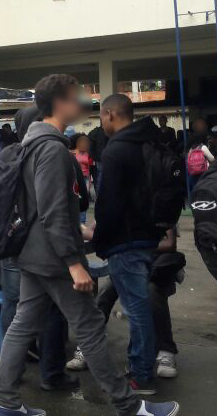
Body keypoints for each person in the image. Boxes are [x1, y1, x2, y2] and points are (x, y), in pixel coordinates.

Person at [0, 74, 178, 416]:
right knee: (89, 326)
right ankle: (130, 406)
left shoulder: (33, 144)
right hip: (53, 258)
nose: (82, 103)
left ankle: (5, 403)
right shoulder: (51, 150)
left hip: (33, 253)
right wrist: (74, 263)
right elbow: (53, 213)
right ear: (60, 102)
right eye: (76, 97)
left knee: (23, 324)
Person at [95, 93, 165, 395]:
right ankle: (142, 366)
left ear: (110, 114)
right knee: (139, 306)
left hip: (125, 241)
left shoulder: (116, 150)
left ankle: (141, 375)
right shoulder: (150, 143)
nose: (100, 122)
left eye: (100, 115)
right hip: (149, 236)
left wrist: (98, 239)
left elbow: (107, 205)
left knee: (136, 310)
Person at [3, 106, 74, 391]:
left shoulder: (8, 154)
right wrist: (72, 258)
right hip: (44, 247)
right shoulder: (52, 152)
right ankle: (52, 372)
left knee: (15, 308)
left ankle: (11, 375)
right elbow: (66, 204)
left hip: (10, 242)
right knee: (58, 313)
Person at [90, 227, 184, 380]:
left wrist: (133, 245)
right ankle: (89, 345)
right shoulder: (119, 205)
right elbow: (95, 230)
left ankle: (166, 350)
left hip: (155, 268)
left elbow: (170, 244)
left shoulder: (160, 206)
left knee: (152, 294)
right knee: (105, 293)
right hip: (127, 265)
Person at [72, 133, 96, 222]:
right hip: (74, 178)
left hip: (85, 178)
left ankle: (82, 221)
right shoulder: (71, 153)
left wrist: (90, 181)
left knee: (83, 200)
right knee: (75, 199)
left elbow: (89, 169)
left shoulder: (88, 154)